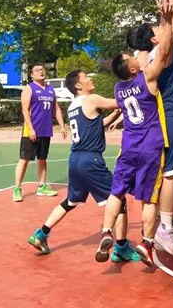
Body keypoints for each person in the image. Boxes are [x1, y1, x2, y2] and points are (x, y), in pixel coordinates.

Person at [97, 0, 173, 267]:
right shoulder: (147, 79)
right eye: (133, 58)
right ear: (132, 68)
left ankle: (106, 232)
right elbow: (164, 51)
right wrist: (167, 21)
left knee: (116, 192)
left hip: (128, 147)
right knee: (149, 200)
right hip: (151, 146)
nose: (137, 57)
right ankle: (147, 243)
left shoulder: (119, 89)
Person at [28, 70, 140, 263]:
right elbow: (121, 101)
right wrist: (141, 85)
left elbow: (95, 125)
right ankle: (121, 247)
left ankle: (41, 233)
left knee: (70, 202)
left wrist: (114, 115)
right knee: (118, 199)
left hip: (75, 159)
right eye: (86, 77)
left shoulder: (74, 106)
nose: (90, 79)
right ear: (78, 85)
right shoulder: (91, 99)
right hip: (91, 160)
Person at [126, 0, 173, 257]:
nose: (162, 29)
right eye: (157, 29)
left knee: (163, 176)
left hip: (156, 122)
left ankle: (153, 231)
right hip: (170, 118)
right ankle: (165, 227)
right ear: (153, 40)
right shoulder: (163, 54)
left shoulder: (144, 60)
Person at [13, 63, 67, 202]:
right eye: (37, 70)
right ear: (31, 75)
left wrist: (62, 125)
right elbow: (25, 110)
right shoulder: (29, 89)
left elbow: (56, 108)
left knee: (42, 159)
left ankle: (42, 186)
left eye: (42, 70)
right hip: (31, 130)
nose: (41, 72)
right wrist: (31, 128)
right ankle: (17, 188)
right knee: (24, 159)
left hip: (45, 130)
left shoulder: (50, 89)